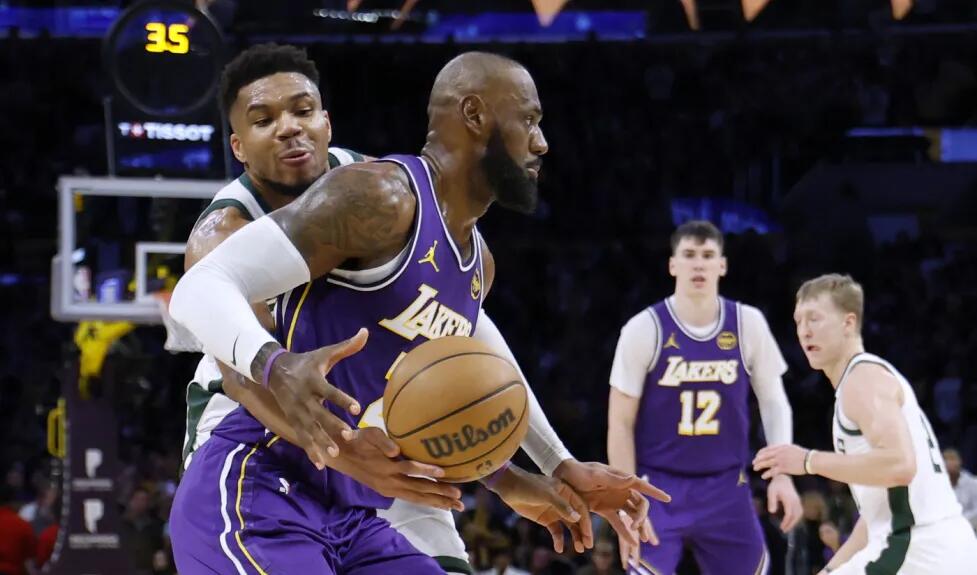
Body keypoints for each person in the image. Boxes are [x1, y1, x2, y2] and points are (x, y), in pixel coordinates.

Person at [170, 51, 665, 574]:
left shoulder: (404, 210)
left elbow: (466, 350)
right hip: (260, 451)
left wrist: (545, 466)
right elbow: (230, 353)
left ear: (327, 122)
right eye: (529, 120)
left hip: (355, 487)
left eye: (302, 111)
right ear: (238, 146)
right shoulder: (278, 216)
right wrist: (277, 365)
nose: (541, 142)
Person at [607, 220, 801, 573]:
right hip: (657, 487)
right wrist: (624, 498)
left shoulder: (748, 323)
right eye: (690, 254)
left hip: (726, 485)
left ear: (722, 265)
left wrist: (782, 474)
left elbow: (774, 402)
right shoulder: (643, 328)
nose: (699, 264)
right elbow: (619, 422)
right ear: (673, 264)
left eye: (708, 255)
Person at [754, 273, 977, 574]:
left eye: (814, 319)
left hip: (919, 549)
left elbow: (900, 465)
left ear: (848, 323)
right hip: (932, 547)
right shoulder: (860, 382)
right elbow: (877, 516)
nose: (804, 331)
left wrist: (808, 460)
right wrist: (830, 569)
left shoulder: (863, 379)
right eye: (798, 321)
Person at [943, 448, 977, 531]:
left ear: (959, 463)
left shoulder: (972, 483)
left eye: (953, 459)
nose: (950, 464)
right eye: (947, 460)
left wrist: (959, 521)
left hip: (969, 528)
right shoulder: (938, 484)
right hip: (945, 528)